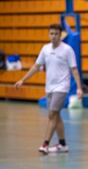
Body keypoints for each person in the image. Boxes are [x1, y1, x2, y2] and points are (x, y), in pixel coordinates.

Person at [15, 24, 83, 154]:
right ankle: (63, 144)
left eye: (56, 34)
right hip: (49, 88)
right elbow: (36, 66)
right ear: (48, 34)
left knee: (52, 114)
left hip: (62, 87)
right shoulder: (45, 49)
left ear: (60, 35)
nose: (53, 36)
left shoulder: (67, 50)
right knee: (56, 116)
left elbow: (74, 69)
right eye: (51, 33)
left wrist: (79, 88)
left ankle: (45, 144)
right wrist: (23, 79)